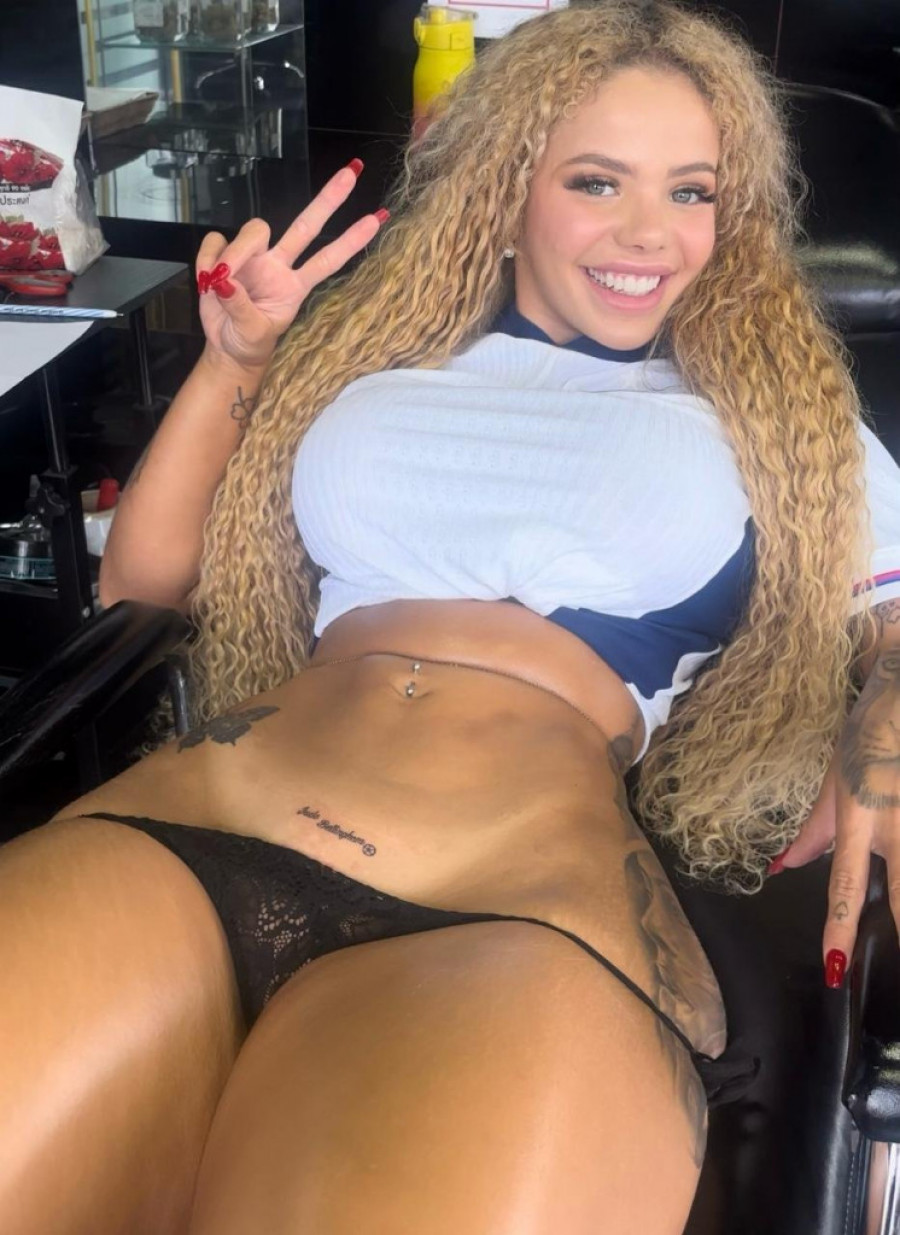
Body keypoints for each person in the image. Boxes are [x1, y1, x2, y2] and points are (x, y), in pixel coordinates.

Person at [3, 1, 900, 1230]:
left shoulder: (781, 414)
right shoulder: (373, 359)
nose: (653, 233)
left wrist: (887, 717)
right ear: (507, 183)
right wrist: (238, 358)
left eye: (692, 191)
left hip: (511, 907)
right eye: (598, 181)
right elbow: (144, 591)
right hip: (184, 828)